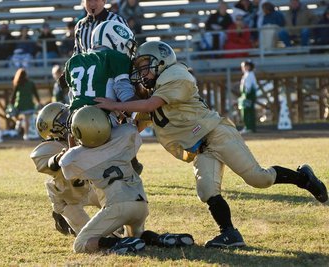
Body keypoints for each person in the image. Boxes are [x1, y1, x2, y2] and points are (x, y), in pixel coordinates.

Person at [96, 40, 328, 248]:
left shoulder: (176, 75)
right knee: (206, 190)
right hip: (201, 147)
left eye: (145, 65)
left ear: (162, 60)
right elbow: (140, 120)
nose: (142, 72)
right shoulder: (157, 88)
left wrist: (115, 105)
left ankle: (304, 178)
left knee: (259, 178)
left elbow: (149, 106)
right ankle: (230, 234)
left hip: (216, 134)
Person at [59, 105, 194, 254]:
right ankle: (159, 239)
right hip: (140, 203)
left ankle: (117, 243)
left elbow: (68, 171)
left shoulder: (73, 158)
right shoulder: (126, 134)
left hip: (116, 205)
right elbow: (127, 131)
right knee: (135, 237)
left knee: (80, 244)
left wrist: (71, 140)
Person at [64, 20, 143, 174]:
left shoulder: (73, 61)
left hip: (74, 124)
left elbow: (73, 97)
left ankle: (71, 152)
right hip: (101, 121)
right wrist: (146, 104)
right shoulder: (116, 58)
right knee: (130, 129)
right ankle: (127, 164)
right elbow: (124, 94)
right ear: (114, 40)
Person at [31, 102, 101, 236]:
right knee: (91, 235)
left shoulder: (82, 135)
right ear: (51, 129)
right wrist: (60, 157)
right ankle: (62, 217)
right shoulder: (51, 147)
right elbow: (44, 163)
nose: (68, 120)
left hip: (90, 188)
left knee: (117, 217)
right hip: (67, 198)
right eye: (63, 119)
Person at [10, 68, 42, 140]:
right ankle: (26, 134)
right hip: (29, 105)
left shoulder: (17, 83)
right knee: (26, 119)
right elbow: (35, 93)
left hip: (19, 104)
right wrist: (38, 101)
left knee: (12, 115)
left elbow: (14, 95)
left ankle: (18, 122)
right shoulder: (31, 83)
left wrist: (11, 103)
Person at [238, 60, 258, 133]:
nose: (242, 68)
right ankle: (249, 127)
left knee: (247, 112)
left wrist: (246, 96)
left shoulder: (249, 74)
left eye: (244, 66)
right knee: (247, 112)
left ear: (248, 66)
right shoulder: (248, 74)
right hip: (246, 96)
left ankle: (249, 127)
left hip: (248, 96)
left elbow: (248, 88)